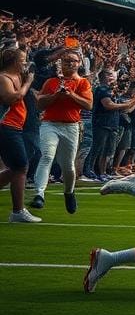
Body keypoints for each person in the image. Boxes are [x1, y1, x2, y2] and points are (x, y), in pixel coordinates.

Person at [31, 47, 92, 213]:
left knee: (68, 166)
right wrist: (56, 95)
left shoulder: (83, 82)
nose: (70, 64)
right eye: (66, 61)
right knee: (47, 156)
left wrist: (71, 94)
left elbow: (88, 105)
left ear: (79, 64)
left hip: (71, 126)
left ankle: (69, 191)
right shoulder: (51, 82)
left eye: (73, 61)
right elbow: (40, 104)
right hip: (50, 123)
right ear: (61, 63)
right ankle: (39, 194)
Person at [0, 46, 41, 222]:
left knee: (17, 167)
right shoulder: (4, 78)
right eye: (22, 59)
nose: (25, 63)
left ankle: (18, 211)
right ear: (14, 61)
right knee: (21, 167)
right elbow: (12, 97)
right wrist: (27, 83)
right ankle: (18, 211)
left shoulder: (17, 76)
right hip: (6, 126)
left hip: (16, 126)